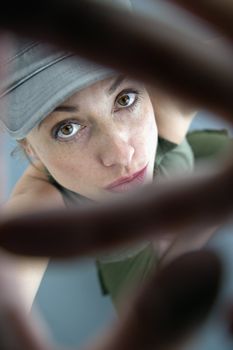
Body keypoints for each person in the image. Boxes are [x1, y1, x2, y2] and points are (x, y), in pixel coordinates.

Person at [0, 32, 232, 315]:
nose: (122, 155)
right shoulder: (39, 200)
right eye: (67, 129)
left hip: (204, 165)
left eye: (125, 99)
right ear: (29, 148)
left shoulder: (165, 107)